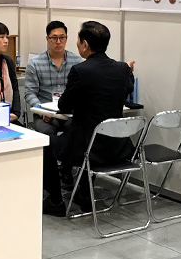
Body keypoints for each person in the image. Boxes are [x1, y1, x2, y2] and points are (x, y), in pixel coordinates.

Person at [42, 21, 135, 216]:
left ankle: (56, 200)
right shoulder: (122, 69)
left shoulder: (80, 71)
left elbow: (64, 106)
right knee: (83, 133)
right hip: (118, 146)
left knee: (45, 143)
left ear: (85, 45)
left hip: (87, 149)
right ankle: (83, 194)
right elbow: (128, 89)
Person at [24, 21, 84, 136]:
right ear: (47, 39)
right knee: (47, 131)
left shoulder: (76, 61)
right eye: (54, 38)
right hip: (44, 113)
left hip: (68, 113)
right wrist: (42, 111)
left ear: (66, 38)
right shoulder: (35, 63)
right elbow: (30, 93)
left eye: (62, 38)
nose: (58, 42)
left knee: (75, 129)